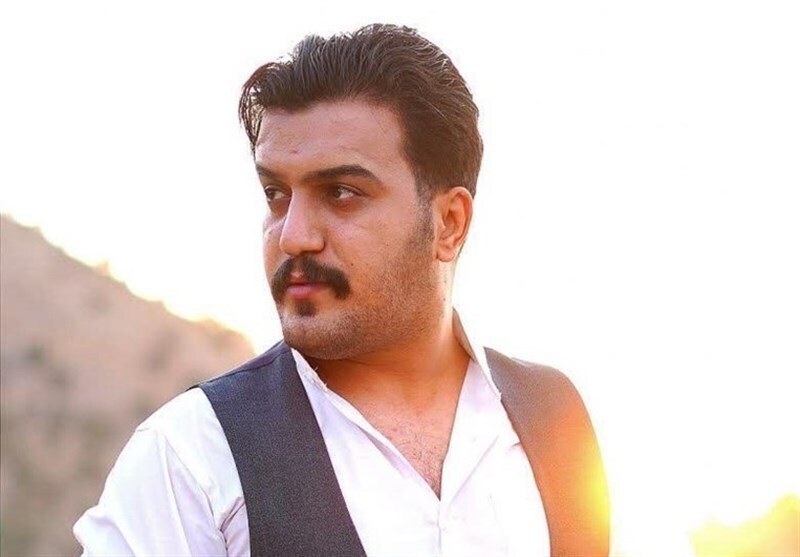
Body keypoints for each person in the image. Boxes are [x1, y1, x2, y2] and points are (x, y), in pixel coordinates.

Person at [75, 24, 609, 556]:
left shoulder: (553, 415)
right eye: (276, 193)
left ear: (449, 223)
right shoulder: (189, 460)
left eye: (341, 192)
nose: (293, 236)